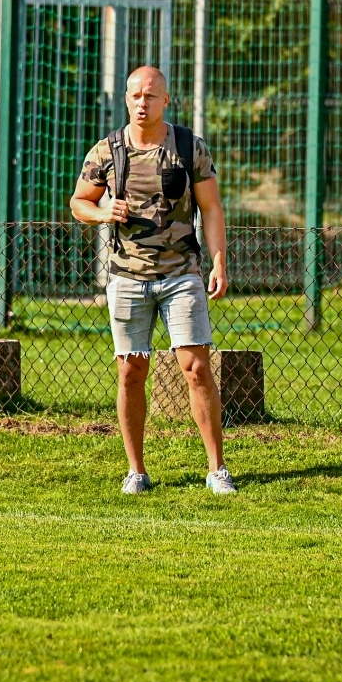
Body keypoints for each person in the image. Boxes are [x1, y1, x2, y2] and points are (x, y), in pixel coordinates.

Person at [69, 66, 234, 495]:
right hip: (127, 277)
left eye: (151, 95)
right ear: (126, 99)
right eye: (136, 95)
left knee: (196, 368)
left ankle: (217, 468)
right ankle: (136, 471)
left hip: (181, 274)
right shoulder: (106, 152)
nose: (143, 103)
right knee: (131, 371)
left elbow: (211, 208)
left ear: (166, 100)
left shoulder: (188, 146)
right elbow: (78, 202)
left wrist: (218, 262)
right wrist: (105, 212)